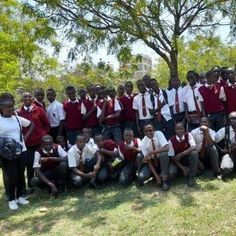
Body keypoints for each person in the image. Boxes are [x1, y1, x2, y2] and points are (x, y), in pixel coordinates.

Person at [0, 93, 34, 210]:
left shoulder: (17, 119)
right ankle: (11, 199)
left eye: (12, 106)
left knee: (20, 174)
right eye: (7, 107)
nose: (10, 109)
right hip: (7, 154)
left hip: (22, 151)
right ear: (1, 108)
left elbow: (31, 125)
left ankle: (20, 196)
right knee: (11, 176)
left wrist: (26, 136)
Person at [18, 92, 50, 191]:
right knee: (30, 164)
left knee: (43, 162)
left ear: (32, 98)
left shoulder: (39, 110)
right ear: (22, 99)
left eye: (29, 96)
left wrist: (43, 135)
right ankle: (31, 185)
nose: (27, 98)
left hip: (40, 142)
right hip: (28, 144)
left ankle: (45, 182)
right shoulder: (19, 113)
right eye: (25, 96)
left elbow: (47, 125)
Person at [137, 124, 170, 191]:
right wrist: (156, 176)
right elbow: (148, 161)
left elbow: (166, 148)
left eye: (150, 130)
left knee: (163, 154)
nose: (149, 132)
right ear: (144, 132)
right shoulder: (142, 143)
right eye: (146, 131)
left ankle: (165, 181)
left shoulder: (158, 133)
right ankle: (156, 176)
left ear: (154, 130)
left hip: (162, 161)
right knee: (142, 176)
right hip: (152, 162)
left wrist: (151, 152)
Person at [168, 122, 198, 187]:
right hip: (177, 162)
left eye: (181, 128)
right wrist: (183, 168)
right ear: (175, 130)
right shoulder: (171, 140)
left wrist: (181, 154)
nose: (179, 130)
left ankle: (191, 177)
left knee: (194, 153)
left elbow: (193, 147)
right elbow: (173, 158)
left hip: (186, 158)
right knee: (171, 173)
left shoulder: (188, 135)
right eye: (177, 129)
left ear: (184, 129)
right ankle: (185, 171)